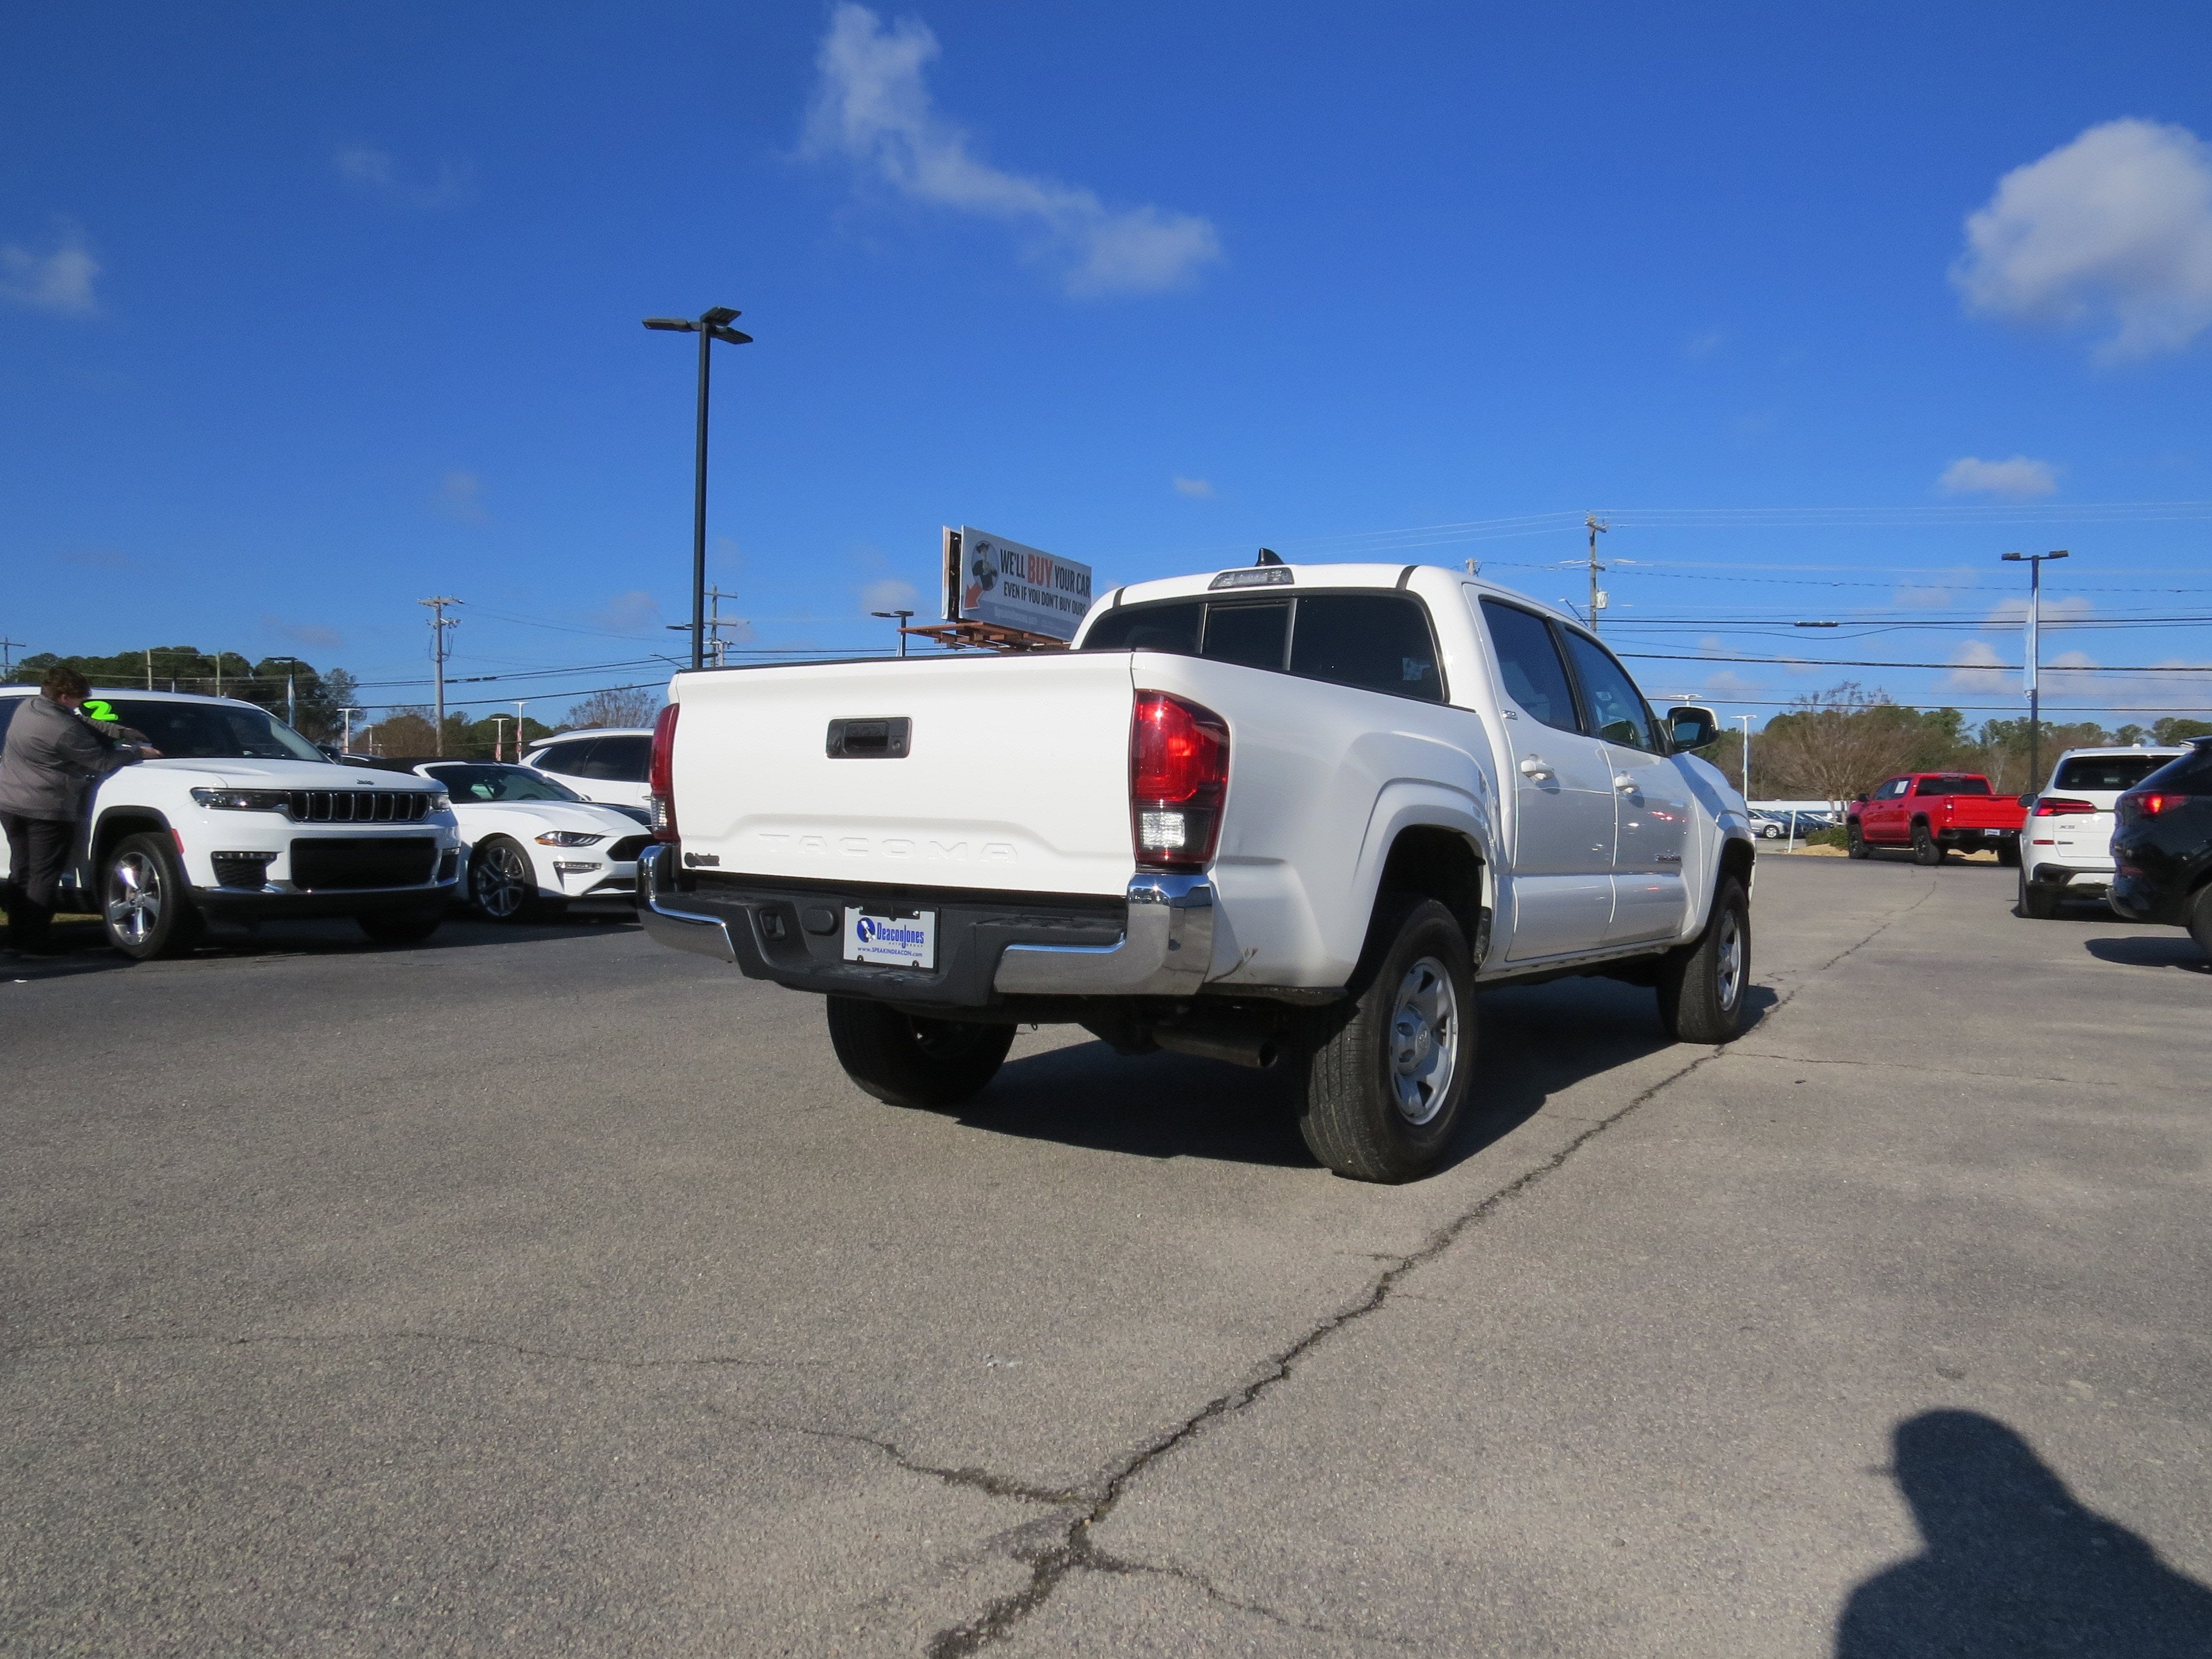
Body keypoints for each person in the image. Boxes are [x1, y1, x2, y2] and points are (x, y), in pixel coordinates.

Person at [0, 667, 161, 954]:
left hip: (10, 803)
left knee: (21, 871)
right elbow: (99, 761)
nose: (81, 703)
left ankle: (15, 939)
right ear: (64, 696)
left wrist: (118, 730)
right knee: (43, 875)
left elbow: (79, 722)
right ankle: (35, 942)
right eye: (78, 698)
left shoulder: (29, 707)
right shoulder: (62, 730)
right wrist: (136, 752)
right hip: (46, 808)